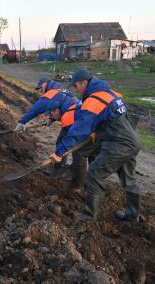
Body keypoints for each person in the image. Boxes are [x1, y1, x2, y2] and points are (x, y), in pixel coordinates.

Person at [51, 69, 141, 222]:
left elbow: (78, 130)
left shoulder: (94, 100)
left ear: (85, 83)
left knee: (94, 174)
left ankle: (88, 216)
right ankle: (133, 215)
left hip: (118, 143)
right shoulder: (112, 93)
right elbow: (119, 116)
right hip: (133, 140)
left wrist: (60, 152)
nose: (75, 89)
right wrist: (98, 131)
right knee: (128, 179)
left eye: (76, 86)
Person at [15, 77, 78, 176]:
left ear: (45, 84)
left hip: (74, 121)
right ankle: (59, 169)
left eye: (40, 88)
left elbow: (36, 108)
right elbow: (61, 107)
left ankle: (75, 181)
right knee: (62, 142)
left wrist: (22, 122)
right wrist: (51, 119)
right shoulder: (61, 91)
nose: (40, 91)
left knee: (76, 150)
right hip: (79, 117)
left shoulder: (51, 93)